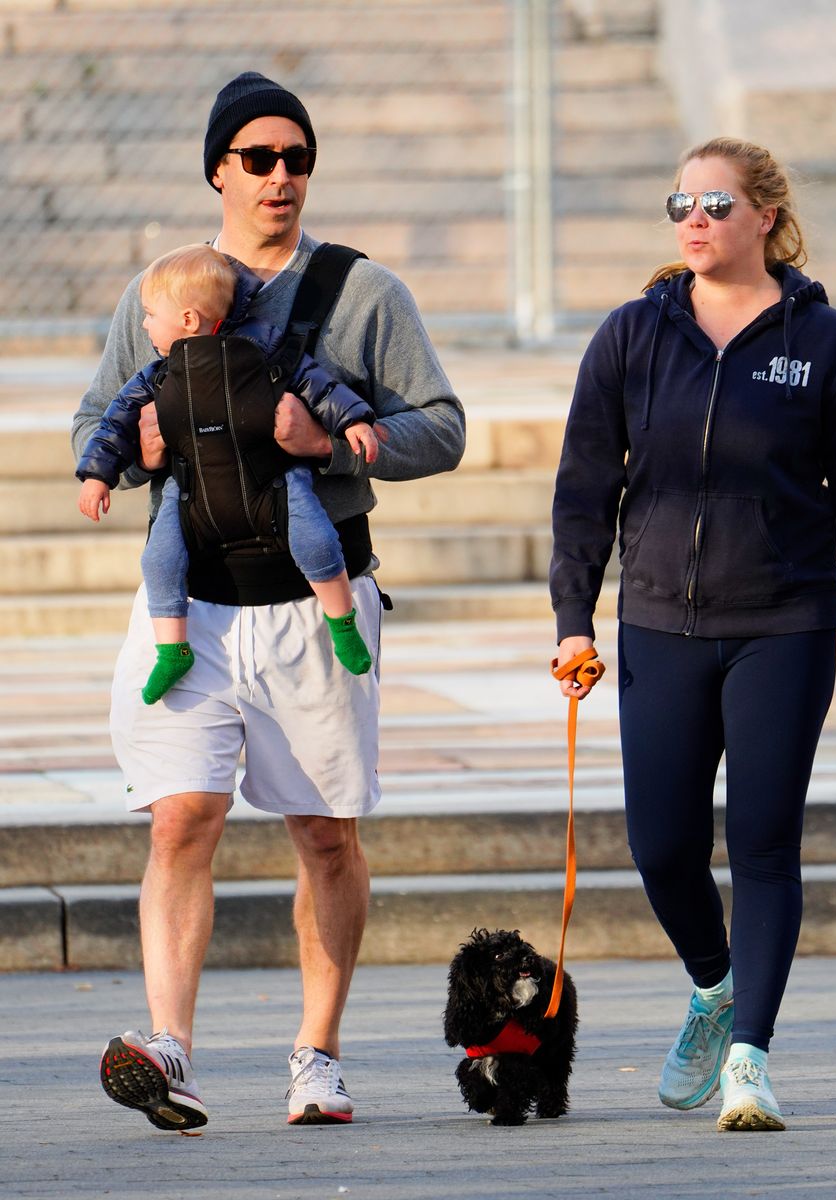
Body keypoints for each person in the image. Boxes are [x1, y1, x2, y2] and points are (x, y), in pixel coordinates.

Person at [72, 71, 465, 1130]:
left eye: (297, 158)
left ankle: (317, 1056)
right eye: (259, 158)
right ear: (218, 170)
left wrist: (327, 439)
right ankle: (170, 1047)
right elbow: (88, 426)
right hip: (188, 603)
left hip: (311, 598)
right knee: (179, 821)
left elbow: (442, 427)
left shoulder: (359, 293)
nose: (281, 176)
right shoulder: (154, 293)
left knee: (324, 836)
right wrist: (127, 454)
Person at [549, 137, 836, 1132]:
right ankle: (714, 985)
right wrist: (570, 619)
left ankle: (749, 1060)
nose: (694, 218)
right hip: (656, 624)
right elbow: (585, 490)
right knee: (660, 845)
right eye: (680, 200)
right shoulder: (632, 335)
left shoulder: (826, 344)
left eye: (715, 204)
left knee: (763, 843)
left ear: (764, 216)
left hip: (784, 622)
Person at [76, 243, 378, 704]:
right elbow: (114, 422)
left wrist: (350, 420)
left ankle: (342, 623)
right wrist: (100, 474)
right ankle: (172, 647)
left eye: (151, 314)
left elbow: (317, 384)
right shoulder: (156, 374)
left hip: (273, 475)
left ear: (189, 320)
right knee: (159, 558)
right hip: (191, 486)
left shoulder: (265, 348)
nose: (143, 325)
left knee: (316, 537)